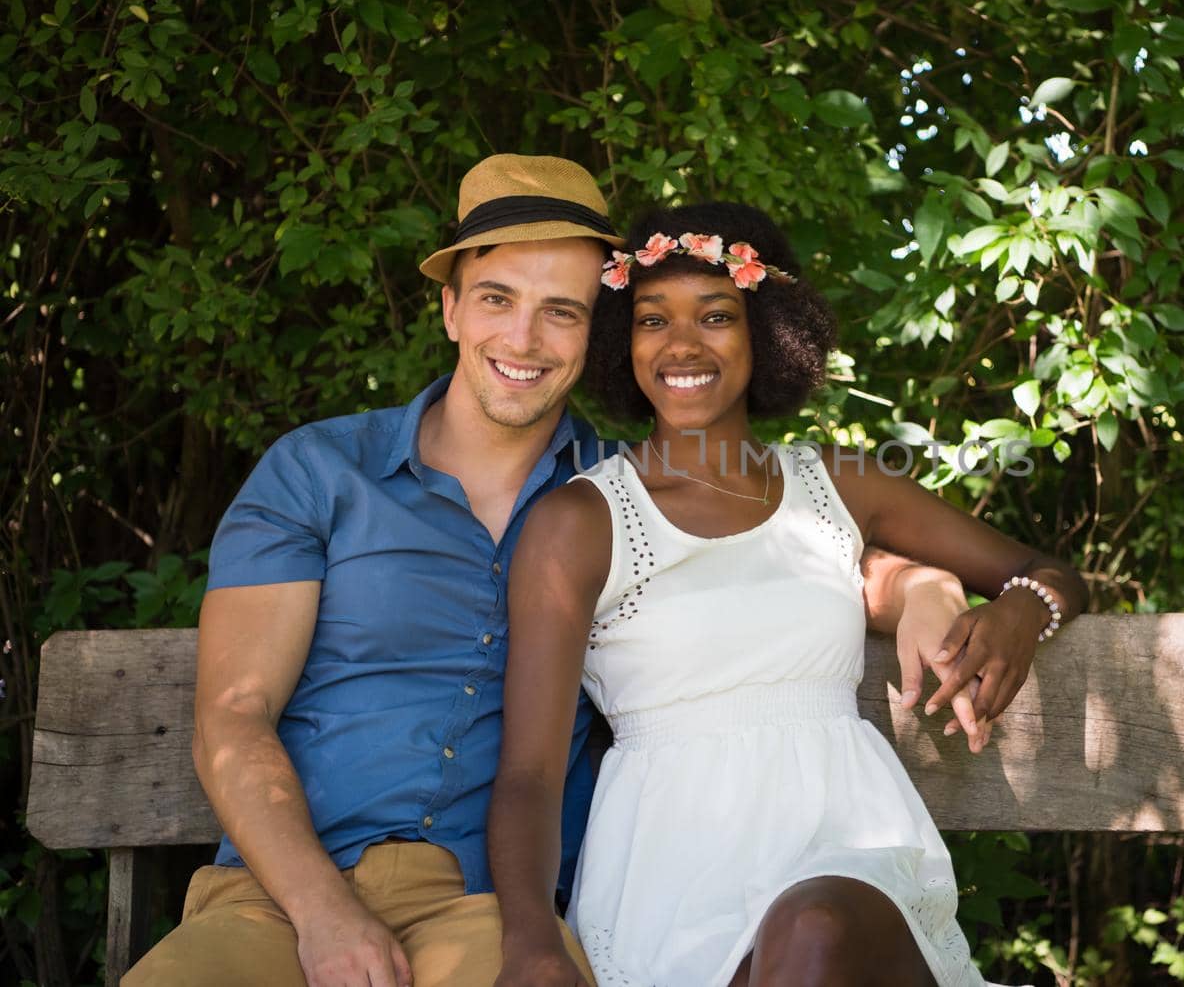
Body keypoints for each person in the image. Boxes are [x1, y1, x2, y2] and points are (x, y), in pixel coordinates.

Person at [125, 158, 1046, 987]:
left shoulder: (624, 493)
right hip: (277, 896)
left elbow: (789, 551)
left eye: (562, 309)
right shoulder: (319, 474)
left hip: (482, 912)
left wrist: (926, 584)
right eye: (495, 298)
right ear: (450, 308)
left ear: (594, 336)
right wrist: (326, 915)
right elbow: (234, 716)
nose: (524, 338)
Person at [489, 202, 1088, 986]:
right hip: (673, 878)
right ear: (620, 342)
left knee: (815, 927)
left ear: (766, 332)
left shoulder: (841, 482)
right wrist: (531, 941)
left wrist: (1018, 610)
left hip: (846, 850)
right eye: (650, 320)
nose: (681, 345)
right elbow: (528, 776)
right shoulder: (581, 520)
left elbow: (1054, 573)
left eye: (715, 316)